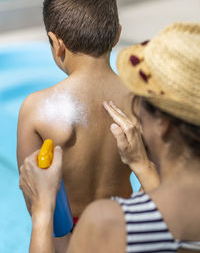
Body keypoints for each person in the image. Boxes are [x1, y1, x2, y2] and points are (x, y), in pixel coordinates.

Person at [20, 22, 200, 253]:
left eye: (140, 100)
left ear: (163, 123)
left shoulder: (111, 224)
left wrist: (43, 209)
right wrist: (142, 165)